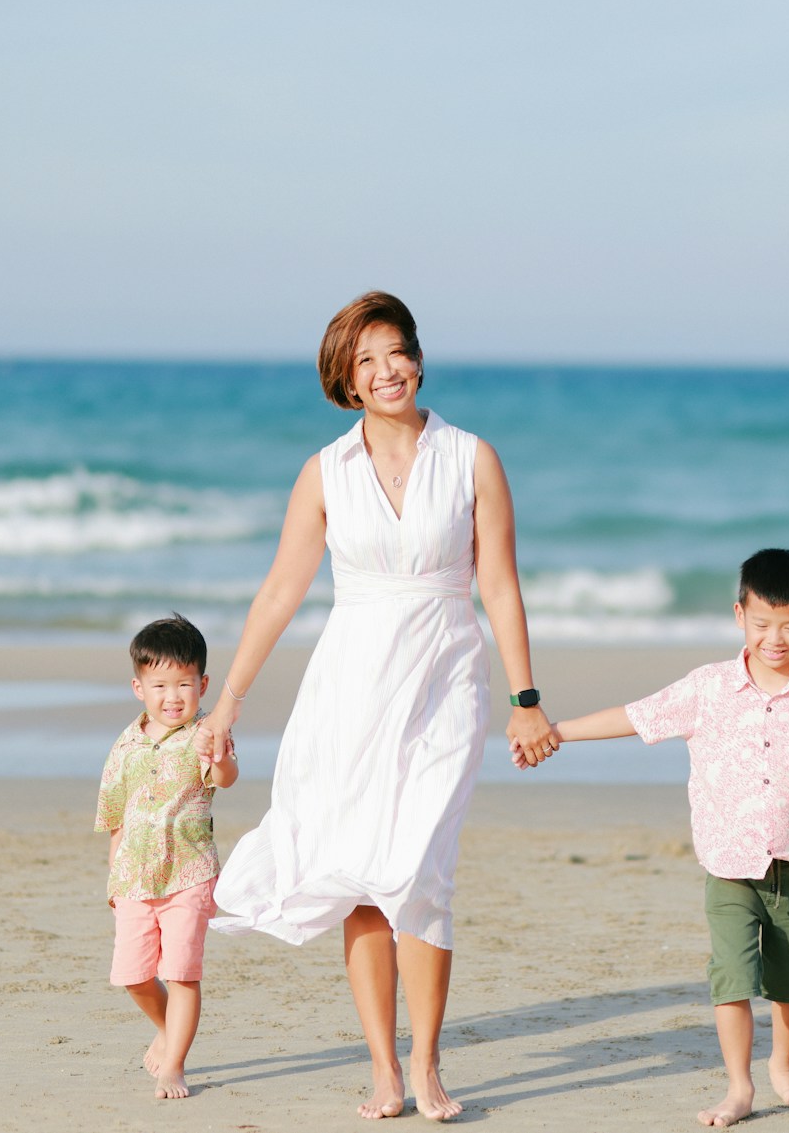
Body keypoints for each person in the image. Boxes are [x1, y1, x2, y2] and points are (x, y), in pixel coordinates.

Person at [193, 291, 556, 1122]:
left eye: (395, 352)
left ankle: (428, 1066)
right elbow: (282, 589)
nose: (385, 370)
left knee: (420, 866)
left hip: (445, 678)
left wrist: (525, 697)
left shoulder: (472, 458)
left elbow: (499, 584)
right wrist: (228, 705)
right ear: (346, 381)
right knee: (362, 876)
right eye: (366, 362)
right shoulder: (325, 471)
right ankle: (384, 1069)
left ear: (418, 358)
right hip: (350, 684)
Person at [525, 549, 789, 1128]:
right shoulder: (708, 688)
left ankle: (782, 1065)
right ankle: (739, 1085)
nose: (774, 638)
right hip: (729, 863)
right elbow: (637, 715)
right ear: (739, 616)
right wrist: (557, 732)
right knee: (731, 975)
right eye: (761, 624)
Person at [95, 613, 240, 1101]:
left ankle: (174, 1065)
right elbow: (115, 815)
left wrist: (218, 754)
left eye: (184, 684)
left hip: (189, 873)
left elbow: (224, 778)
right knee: (135, 977)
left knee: (181, 973)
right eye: (160, 685)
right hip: (135, 876)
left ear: (203, 683)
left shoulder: (204, 731)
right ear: (138, 687)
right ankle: (166, 1029)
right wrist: (113, 878)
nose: (173, 696)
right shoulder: (126, 744)